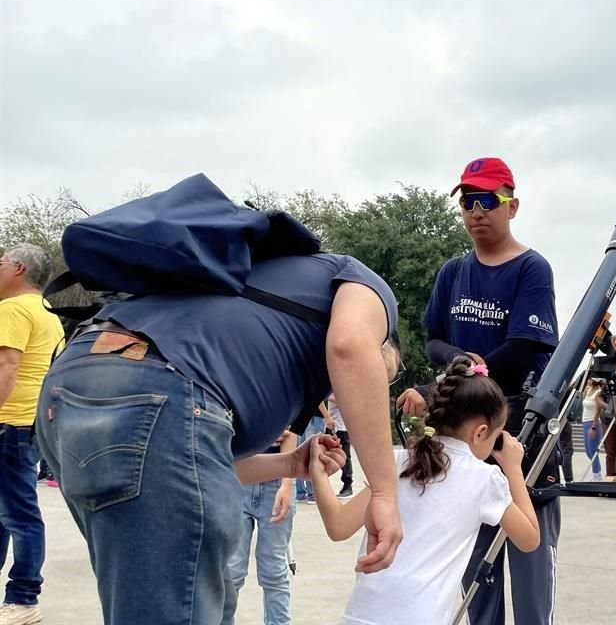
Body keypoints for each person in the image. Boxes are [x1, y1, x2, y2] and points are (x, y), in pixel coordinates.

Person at [35, 252, 404, 625]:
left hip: (72, 379)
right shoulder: (362, 282)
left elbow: (183, 463)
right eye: (377, 375)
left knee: (178, 601)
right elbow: (349, 347)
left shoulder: (245, 312)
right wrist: (384, 492)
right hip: (154, 385)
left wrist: (286, 464)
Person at [404, 156, 560, 625]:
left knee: (530, 566)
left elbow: (527, 345)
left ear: (512, 206)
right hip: (463, 440)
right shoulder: (453, 272)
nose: (476, 212)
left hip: (521, 433)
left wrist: (470, 369)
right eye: (468, 201)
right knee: (476, 578)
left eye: (488, 200)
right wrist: (460, 364)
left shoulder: (532, 268)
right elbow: (431, 338)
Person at [312, 357, 540, 624]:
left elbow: (338, 526)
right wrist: (513, 468)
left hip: (361, 615)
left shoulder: (397, 462)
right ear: (480, 433)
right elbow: (530, 538)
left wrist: (316, 473)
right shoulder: (484, 478)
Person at [0, 244, 64, 625]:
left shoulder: (11, 309)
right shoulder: (48, 312)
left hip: (7, 423)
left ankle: (23, 598)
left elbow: (7, 366)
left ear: (19, 268)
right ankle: (18, 599)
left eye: (1, 261)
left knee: (20, 515)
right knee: (8, 513)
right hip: (28, 423)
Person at [224, 430, 298, 625]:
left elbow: (290, 434)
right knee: (231, 571)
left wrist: (287, 484)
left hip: (276, 483)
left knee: (273, 570)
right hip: (237, 479)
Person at [325, 393, 354, 497]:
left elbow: (343, 400)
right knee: (325, 455)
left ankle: (348, 485)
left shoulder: (341, 386)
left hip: (341, 427)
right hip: (331, 424)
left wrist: (325, 395)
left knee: (345, 456)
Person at [581, 378, 605, 482]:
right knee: (588, 452)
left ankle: (597, 476)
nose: (587, 380)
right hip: (585, 422)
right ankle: (597, 473)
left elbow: (597, 411)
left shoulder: (598, 393)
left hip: (593, 423)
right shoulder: (588, 389)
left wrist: (594, 427)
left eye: (590, 379)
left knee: (593, 452)